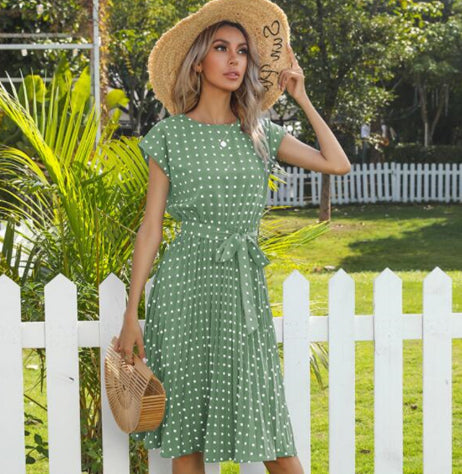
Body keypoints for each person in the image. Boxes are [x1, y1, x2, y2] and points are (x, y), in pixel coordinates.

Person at [115, 0, 350, 472]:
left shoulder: (261, 133)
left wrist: (302, 98)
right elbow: (150, 228)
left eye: (242, 51)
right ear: (198, 62)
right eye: (221, 48)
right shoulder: (170, 135)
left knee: (269, 428)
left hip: (241, 291)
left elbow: (337, 163)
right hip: (183, 288)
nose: (234, 59)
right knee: (188, 436)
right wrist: (131, 313)